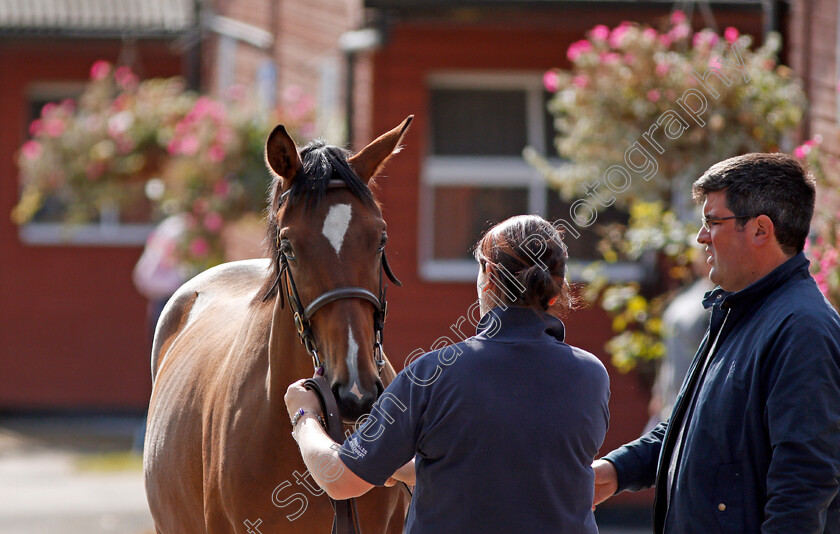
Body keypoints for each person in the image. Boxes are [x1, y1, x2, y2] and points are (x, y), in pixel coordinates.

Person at [285, 215, 610, 533]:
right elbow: (499, 467)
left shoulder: (431, 375)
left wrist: (304, 416)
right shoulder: (591, 376)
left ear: (490, 277)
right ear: (556, 290)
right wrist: (400, 465)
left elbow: (340, 479)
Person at [593, 153, 840, 533]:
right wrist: (613, 472)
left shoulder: (802, 328)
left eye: (713, 222)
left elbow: (803, 486)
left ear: (760, 230)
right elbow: (690, 429)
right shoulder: (739, 309)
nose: (701, 236)